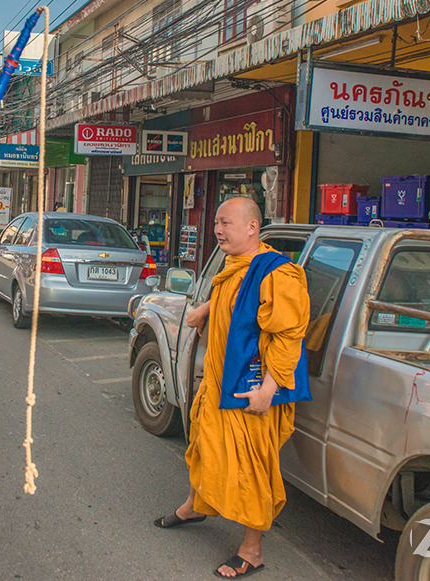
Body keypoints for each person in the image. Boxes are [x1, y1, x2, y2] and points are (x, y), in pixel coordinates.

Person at [154, 196, 310, 578]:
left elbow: (289, 336)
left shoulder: (277, 273)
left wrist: (268, 390)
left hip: (248, 390)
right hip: (217, 381)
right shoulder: (236, 264)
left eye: (226, 223)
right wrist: (205, 308)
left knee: (249, 469)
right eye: (216, 223)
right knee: (203, 447)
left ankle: (252, 549)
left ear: (252, 227)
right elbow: (235, 297)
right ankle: (195, 506)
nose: (218, 230)